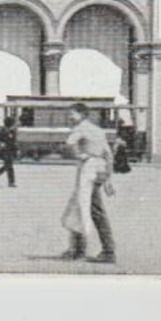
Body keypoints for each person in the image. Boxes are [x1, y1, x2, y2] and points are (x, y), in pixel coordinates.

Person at [60, 102, 116, 264]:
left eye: (72, 114)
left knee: (92, 208)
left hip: (88, 169)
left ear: (81, 114)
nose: (69, 117)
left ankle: (108, 250)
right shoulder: (98, 130)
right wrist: (108, 178)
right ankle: (78, 248)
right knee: (81, 205)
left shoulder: (80, 129)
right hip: (99, 169)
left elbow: (69, 144)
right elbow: (108, 154)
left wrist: (79, 155)